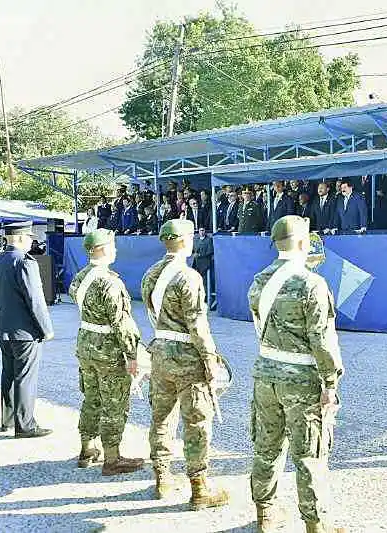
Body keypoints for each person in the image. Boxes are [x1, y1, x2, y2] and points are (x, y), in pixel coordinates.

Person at [248, 215, 345, 533]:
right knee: (309, 454)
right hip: (301, 380)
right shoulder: (311, 284)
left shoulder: (259, 280)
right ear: (304, 243)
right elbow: (321, 339)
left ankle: (265, 515)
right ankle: (315, 525)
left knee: (266, 446)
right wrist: (330, 382)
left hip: (265, 374)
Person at [141, 220, 229, 507]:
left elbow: (153, 313)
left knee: (161, 418)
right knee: (196, 421)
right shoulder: (188, 276)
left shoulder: (151, 273)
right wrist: (210, 359)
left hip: (160, 352)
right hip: (187, 357)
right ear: (186, 240)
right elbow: (197, 324)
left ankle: (162, 478)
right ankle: (199, 487)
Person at [68, 228, 144, 474]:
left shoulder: (80, 277)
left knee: (91, 398)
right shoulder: (110, 281)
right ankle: (112, 458)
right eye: (112, 245)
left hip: (86, 344)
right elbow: (121, 322)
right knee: (114, 403)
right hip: (108, 350)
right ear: (103, 249)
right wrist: (132, 355)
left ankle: (87, 448)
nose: (115, 250)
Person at [0, 221, 54, 438]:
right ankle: (25, 425)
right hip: (25, 330)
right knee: (25, 377)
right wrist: (46, 328)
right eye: (29, 237)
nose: (31, 241)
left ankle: (8, 419)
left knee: (9, 374)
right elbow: (35, 300)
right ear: (21, 238)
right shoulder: (25, 262)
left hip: (4, 325)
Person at [192, 227, 215, 299]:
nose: (201, 232)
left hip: (205, 264)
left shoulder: (209, 240)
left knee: (205, 281)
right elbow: (193, 250)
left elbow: (210, 251)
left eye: (203, 230)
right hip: (196, 264)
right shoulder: (196, 240)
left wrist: (200, 255)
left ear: (205, 231)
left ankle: (206, 296)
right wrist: (194, 254)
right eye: (200, 230)